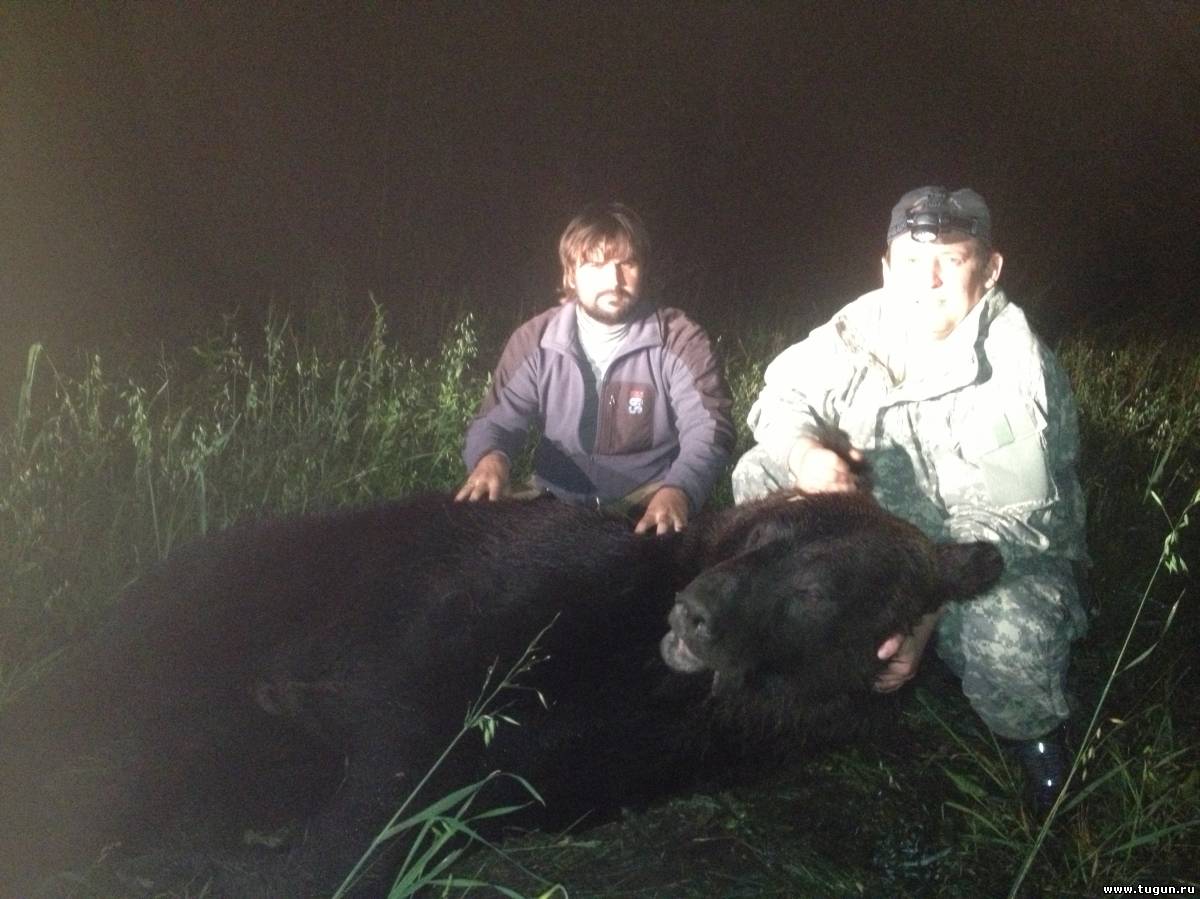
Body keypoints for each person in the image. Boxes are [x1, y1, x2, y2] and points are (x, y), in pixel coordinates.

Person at [732, 186, 1089, 814]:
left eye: (952, 258)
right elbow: (781, 399)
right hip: (889, 536)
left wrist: (918, 619)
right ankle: (798, 661)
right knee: (763, 474)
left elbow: (1005, 525)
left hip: (988, 554)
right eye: (912, 259)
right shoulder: (858, 326)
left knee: (1009, 633)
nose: (929, 278)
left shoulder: (1015, 361)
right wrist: (809, 455)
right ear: (886, 267)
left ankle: (1036, 740)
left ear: (989, 268)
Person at [457, 202, 735, 534]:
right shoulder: (535, 340)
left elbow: (709, 430)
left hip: (649, 501)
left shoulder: (680, 339)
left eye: (627, 264)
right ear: (570, 275)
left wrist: (680, 490)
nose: (614, 280)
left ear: (643, 270)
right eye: (596, 265)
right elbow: (495, 422)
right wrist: (491, 458)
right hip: (553, 498)